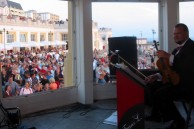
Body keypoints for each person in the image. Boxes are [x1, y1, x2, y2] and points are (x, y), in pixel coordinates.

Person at [145, 23, 194, 129]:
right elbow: (169, 70)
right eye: (174, 34)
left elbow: (187, 65)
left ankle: (179, 121)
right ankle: (157, 115)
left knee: (161, 94)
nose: (175, 36)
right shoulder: (176, 50)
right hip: (177, 82)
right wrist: (157, 75)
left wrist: (168, 55)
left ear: (186, 33)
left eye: (178, 33)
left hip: (188, 85)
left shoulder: (192, 47)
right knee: (151, 86)